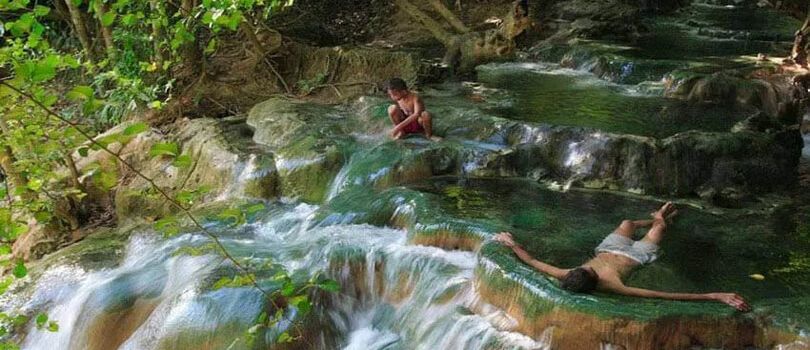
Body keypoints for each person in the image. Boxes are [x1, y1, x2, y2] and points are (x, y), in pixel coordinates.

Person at [494, 202, 750, 311]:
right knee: (659, 230)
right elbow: (661, 295)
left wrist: (512, 243)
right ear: (596, 282)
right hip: (637, 255)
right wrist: (714, 295)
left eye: (587, 267)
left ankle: (657, 218)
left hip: (610, 247)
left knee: (627, 223)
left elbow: (532, 262)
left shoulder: (568, 274)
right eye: (593, 271)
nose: (592, 268)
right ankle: (660, 219)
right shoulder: (614, 285)